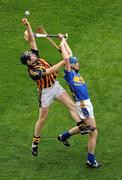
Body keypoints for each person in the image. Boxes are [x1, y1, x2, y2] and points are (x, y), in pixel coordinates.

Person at [20, 18, 94, 157]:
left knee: (71, 105)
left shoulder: (35, 56)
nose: (32, 56)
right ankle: (35, 142)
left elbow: (31, 40)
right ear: (28, 63)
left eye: (31, 54)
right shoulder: (33, 71)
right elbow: (50, 71)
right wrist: (64, 60)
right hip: (45, 92)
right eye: (30, 57)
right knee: (42, 119)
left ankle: (82, 127)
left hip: (55, 86)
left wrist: (28, 24)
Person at [57, 34, 101, 168]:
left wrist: (63, 41)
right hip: (83, 104)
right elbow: (66, 58)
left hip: (86, 103)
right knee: (93, 132)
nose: (78, 63)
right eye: (76, 62)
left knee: (85, 128)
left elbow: (69, 54)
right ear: (71, 65)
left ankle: (63, 136)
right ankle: (90, 160)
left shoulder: (76, 73)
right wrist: (62, 43)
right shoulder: (70, 74)